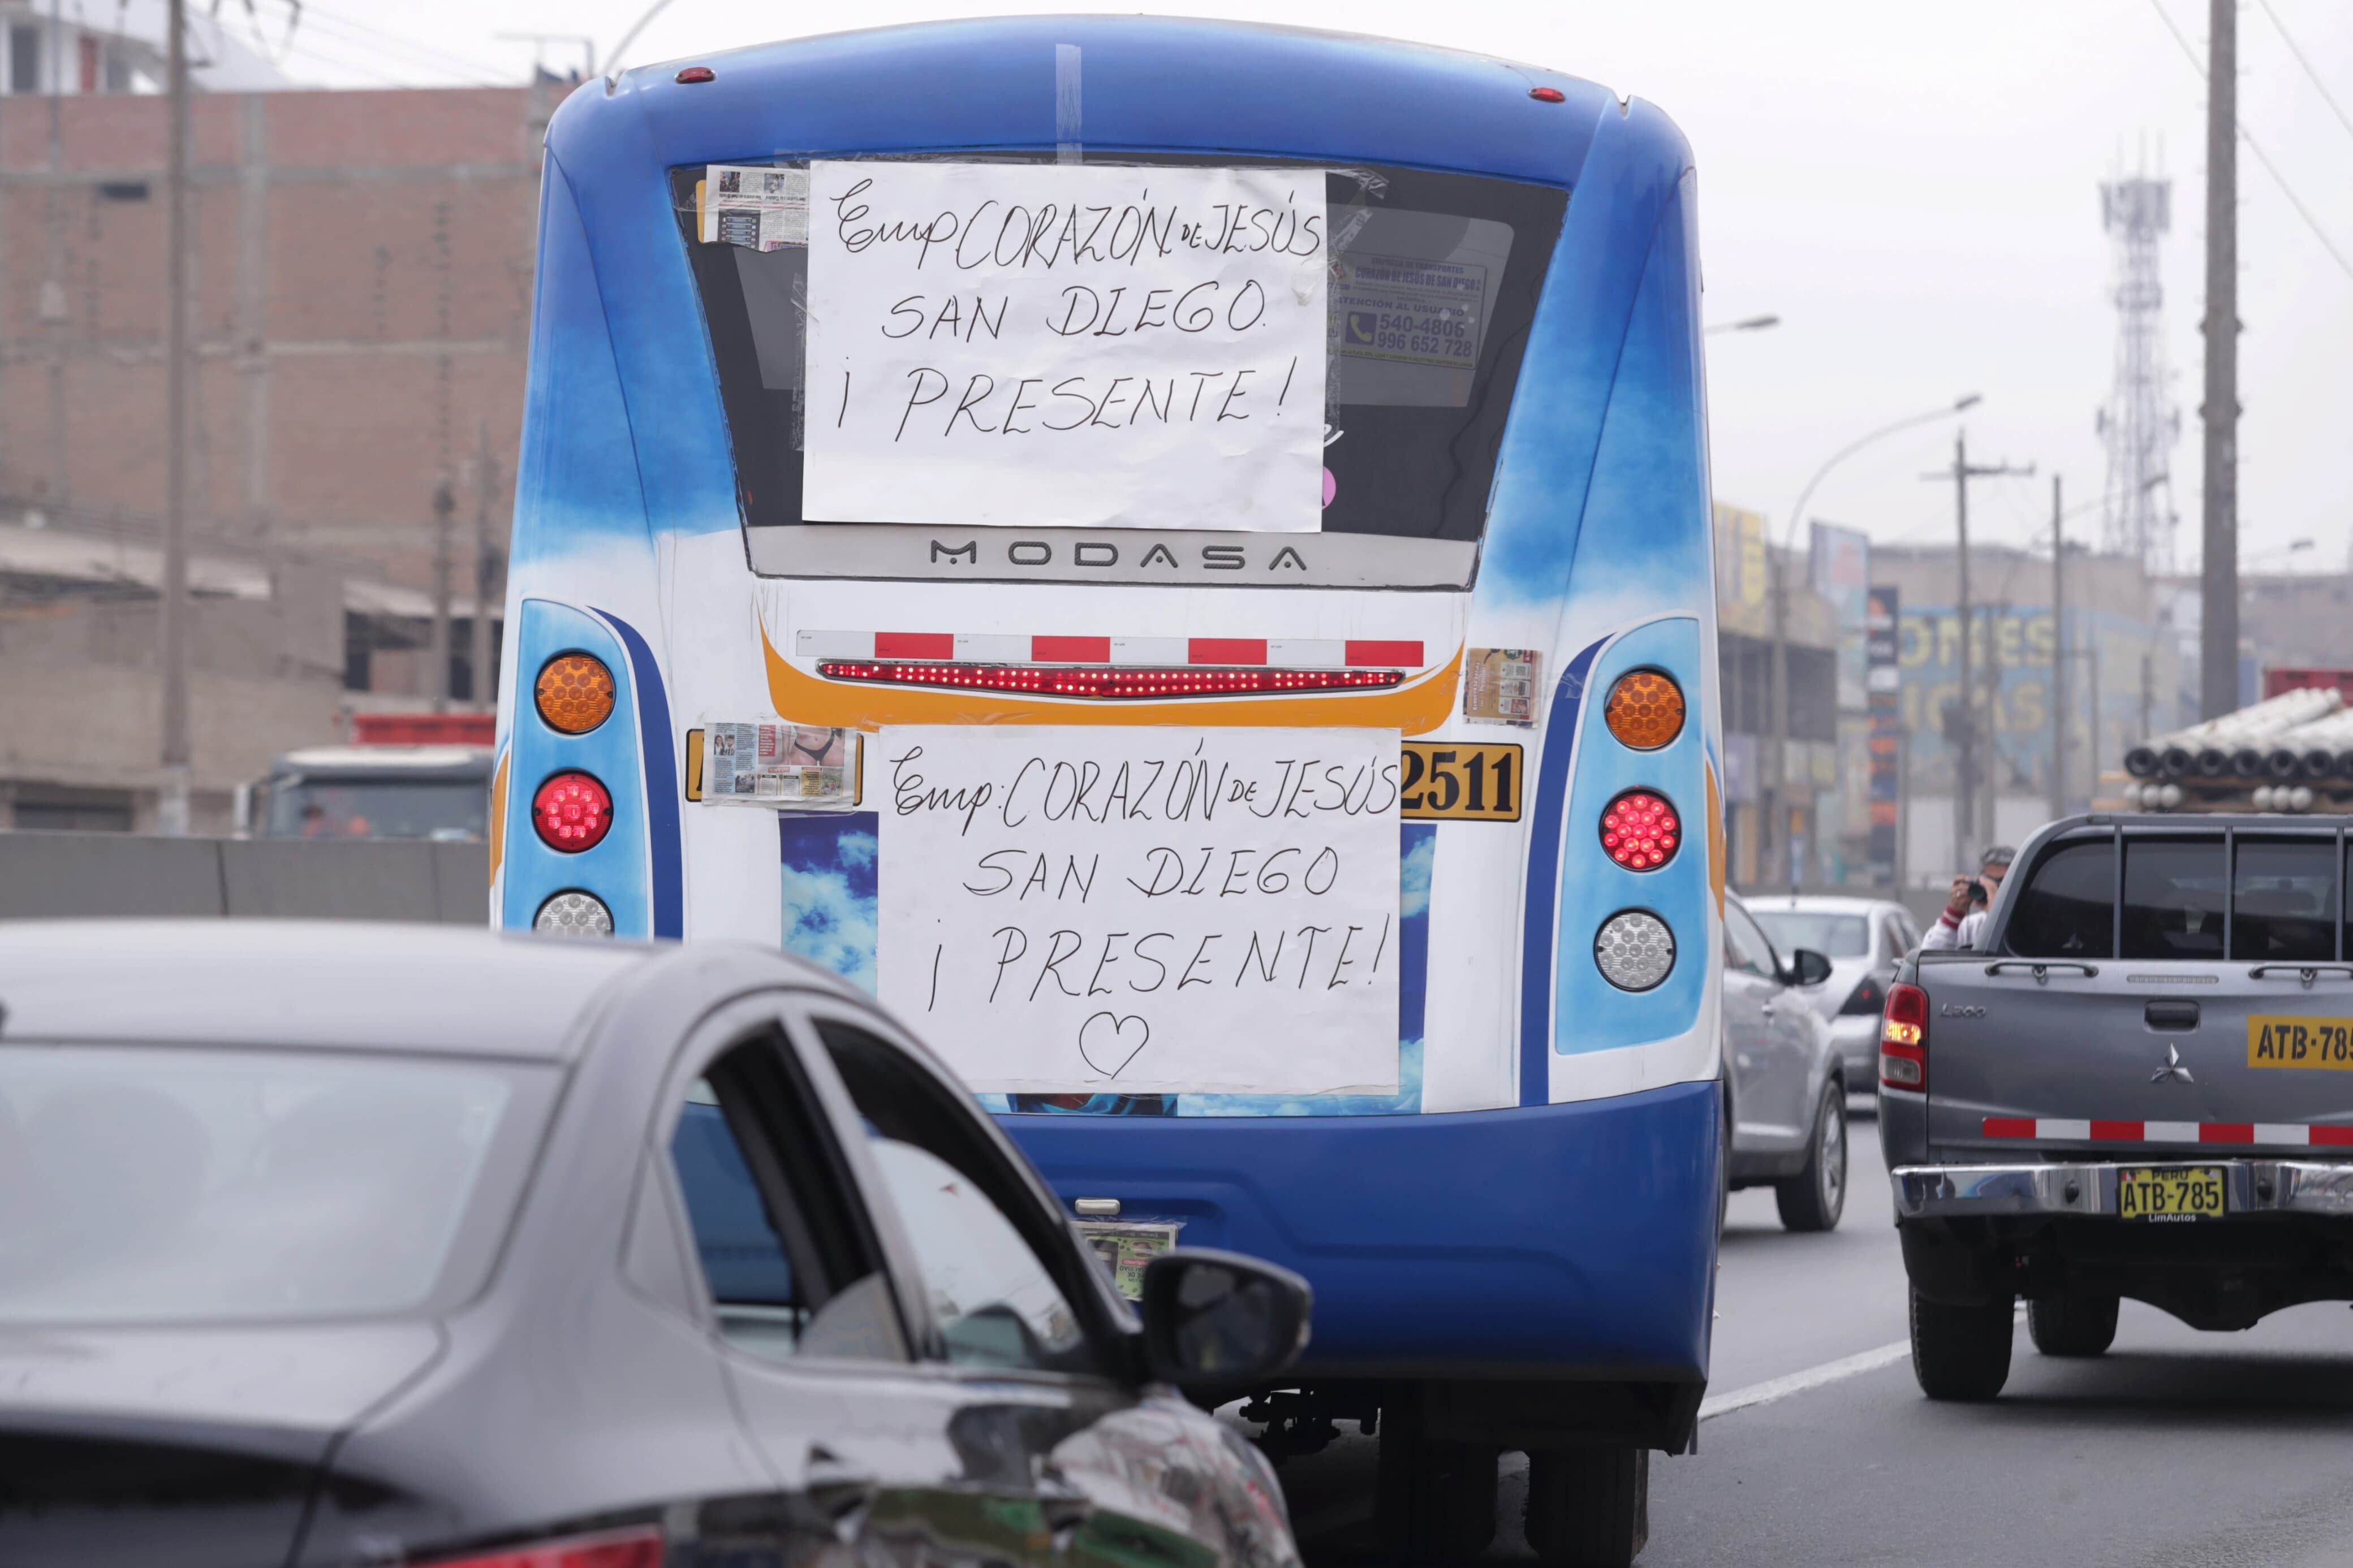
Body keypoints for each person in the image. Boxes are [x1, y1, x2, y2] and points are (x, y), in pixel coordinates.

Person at [1923, 845, 2014, 951]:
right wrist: (1954, 914)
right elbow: (1930, 955)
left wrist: (1997, 911)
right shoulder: (1970, 927)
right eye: (1989, 882)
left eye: (2003, 883)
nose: (1994, 890)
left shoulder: (2028, 924)